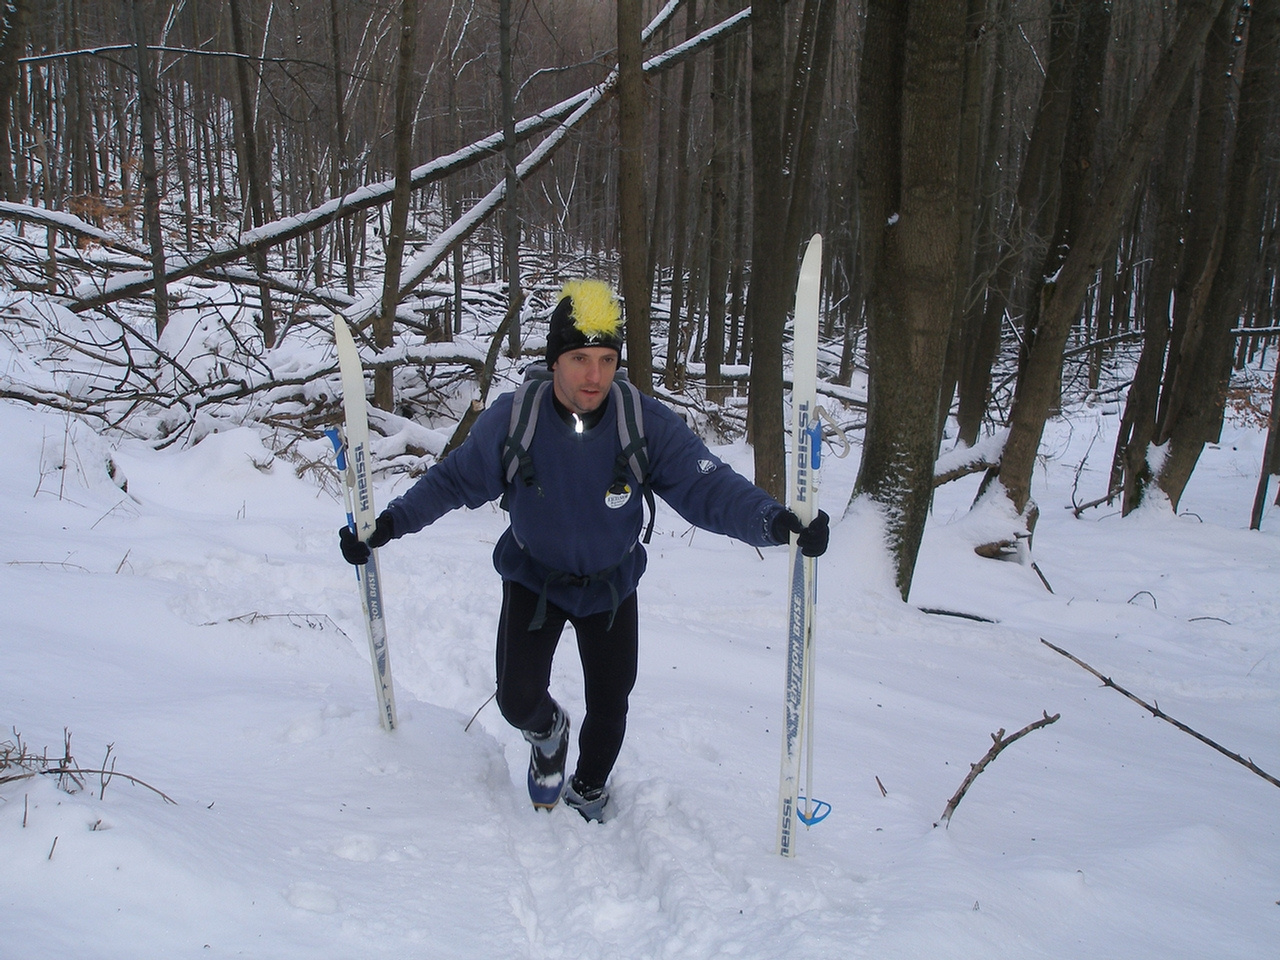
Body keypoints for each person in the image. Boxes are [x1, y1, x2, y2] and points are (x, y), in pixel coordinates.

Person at [339, 279, 829, 822]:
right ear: (554, 361)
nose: (594, 375)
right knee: (516, 700)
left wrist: (776, 522)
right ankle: (548, 736)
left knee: (611, 701)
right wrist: (388, 524)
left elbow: (707, 486)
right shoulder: (514, 420)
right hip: (534, 578)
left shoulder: (641, 422)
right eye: (578, 358)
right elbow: (452, 481)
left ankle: (589, 789)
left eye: (605, 358)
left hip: (611, 585)